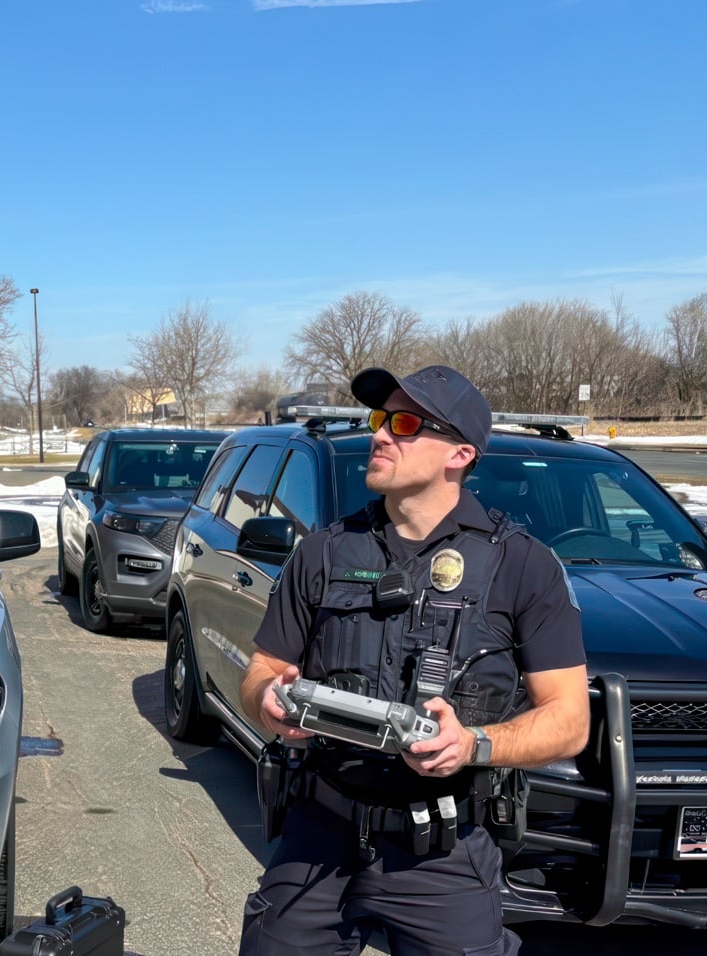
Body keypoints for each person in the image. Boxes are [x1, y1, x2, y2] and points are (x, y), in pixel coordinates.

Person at [237, 365, 590, 956]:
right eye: (380, 419)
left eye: (403, 424)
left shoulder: (523, 567)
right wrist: (269, 703)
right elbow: (260, 673)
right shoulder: (323, 552)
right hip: (320, 833)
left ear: (460, 454)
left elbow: (570, 720)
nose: (380, 435)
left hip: (443, 852)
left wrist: (473, 744)